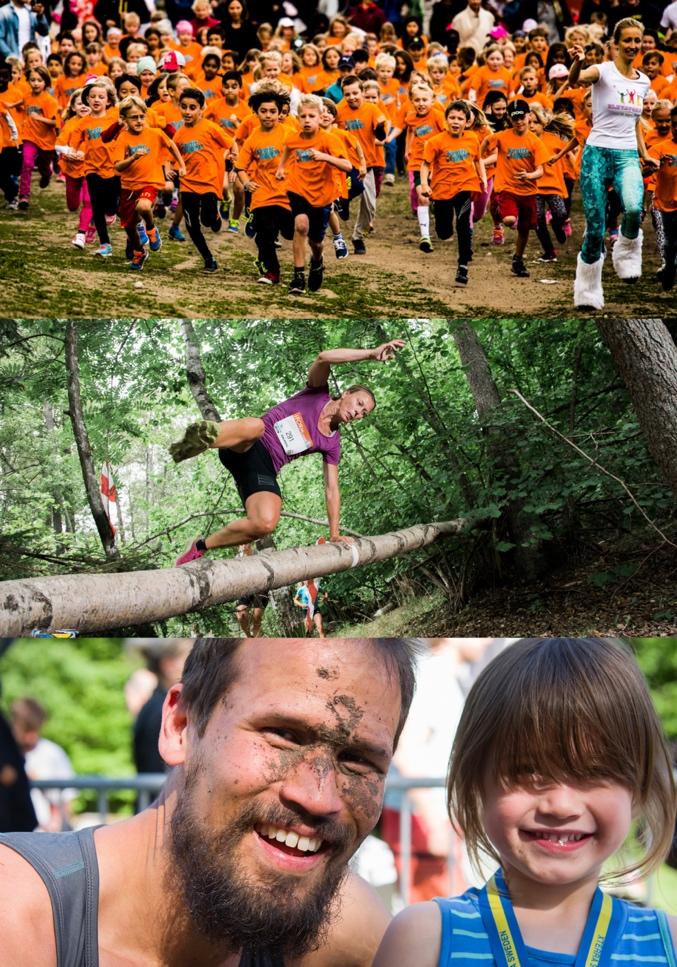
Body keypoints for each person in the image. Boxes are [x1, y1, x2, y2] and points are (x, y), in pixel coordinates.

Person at [0, 636, 418, 966]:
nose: (318, 797)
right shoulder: (19, 914)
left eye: (358, 761)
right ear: (180, 726)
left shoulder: (349, 936)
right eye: (284, 735)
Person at [373, 637, 677, 966]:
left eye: (595, 773)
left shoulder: (668, 944)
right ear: (476, 783)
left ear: (640, 787)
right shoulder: (424, 939)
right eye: (527, 771)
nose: (561, 805)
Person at [171, 339, 404, 566]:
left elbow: (332, 489)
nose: (359, 412)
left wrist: (334, 533)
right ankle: (202, 439)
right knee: (256, 426)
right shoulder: (317, 393)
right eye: (359, 403)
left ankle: (200, 547)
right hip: (244, 443)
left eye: (365, 413)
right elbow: (324, 358)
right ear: (346, 393)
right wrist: (371, 353)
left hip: (263, 468)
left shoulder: (332, 443)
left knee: (265, 523)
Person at [569, 18, 655, 310]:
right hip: (597, 153)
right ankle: (588, 290)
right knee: (595, 225)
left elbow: (635, 123)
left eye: (637, 41)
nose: (633, 46)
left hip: (627, 155)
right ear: (615, 44)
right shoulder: (602, 71)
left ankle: (628, 253)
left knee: (633, 208)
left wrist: (644, 155)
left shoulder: (644, 81)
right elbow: (574, 80)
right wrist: (578, 63)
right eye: (627, 40)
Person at [9, 697, 76, 833]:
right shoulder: (7, 756)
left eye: (34, 729)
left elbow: (68, 800)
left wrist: (59, 824)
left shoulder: (52, 754)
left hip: (47, 837)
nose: (31, 736)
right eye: (26, 729)